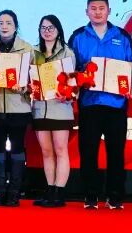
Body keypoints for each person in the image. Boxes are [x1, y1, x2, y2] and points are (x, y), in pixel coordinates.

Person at [68, 0, 132, 210]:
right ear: (86, 12)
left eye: (101, 8)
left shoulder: (122, 36)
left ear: (109, 11)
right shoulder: (78, 36)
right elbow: (70, 69)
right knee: (88, 151)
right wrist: (80, 78)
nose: (97, 12)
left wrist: (131, 86)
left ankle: (115, 196)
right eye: (93, 8)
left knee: (116, 152)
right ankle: (90, 195)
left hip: (116, 104)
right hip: (90, 104)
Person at [0, 9, 33, 208]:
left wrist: (25, 87)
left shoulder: (27, 49)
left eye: (9, 23)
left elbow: (34, 79)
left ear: (16, 26)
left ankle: (14, 192)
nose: (4, 26)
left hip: (19, 107)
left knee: (18, 148)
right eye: (1, 23)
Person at [31, 15, 75, 208]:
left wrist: (68, 94)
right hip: (40, 108)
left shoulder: (67, 53)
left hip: (60, 108)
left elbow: (72, 82)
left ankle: (59, 192)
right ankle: (49, 190)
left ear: (58, 30)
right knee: (46, 151)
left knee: (60, 149)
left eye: (51, 28)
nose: (47, 31)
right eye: (43, 28)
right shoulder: (33, 53)